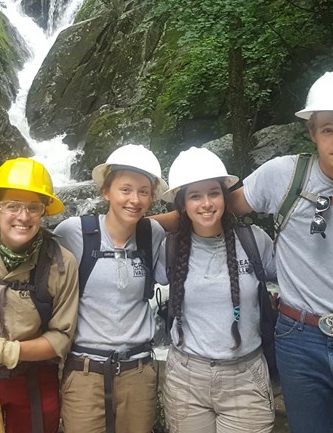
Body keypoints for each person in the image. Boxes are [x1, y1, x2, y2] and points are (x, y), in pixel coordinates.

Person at [0, 157, 79, 433]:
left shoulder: (60, 262)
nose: (23, 216)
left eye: (34, 208)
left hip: (33, 378)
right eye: (12, 206)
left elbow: (61, 337)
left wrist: (9, 351)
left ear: (43, 213)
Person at [54, 144, 168, 433]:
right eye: (126, 189)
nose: (135, 199)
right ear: (106, 191)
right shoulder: (73, 232)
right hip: (84, 372)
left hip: (138, 372)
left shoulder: (151, 234)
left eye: (144, 191)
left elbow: (183, 221)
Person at [162, 147, 276, 433]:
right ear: (182, 204)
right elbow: (129, 228)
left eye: (214, 193)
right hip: (186, 378)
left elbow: (296, 279)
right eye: (195, 196)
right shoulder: (169, 247)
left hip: (246, 375)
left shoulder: (254, 241)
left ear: (225, 197)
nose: (206, 204)